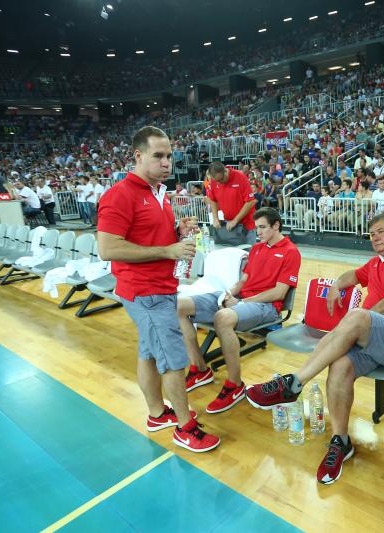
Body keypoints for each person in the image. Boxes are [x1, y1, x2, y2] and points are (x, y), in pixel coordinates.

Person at [245, 213, 384, 485]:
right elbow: (352, 275)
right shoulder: (376, 263)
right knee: (340, 364)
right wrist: (336, 285)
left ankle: (294, 382)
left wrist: (354, 325)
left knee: (356, 317)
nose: (375, 238)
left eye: (381, 231)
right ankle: (341, 441)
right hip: (373, 337)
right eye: (371, 234)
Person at [97, 126, 221, 453]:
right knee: (174, 361)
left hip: (158, 288)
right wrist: (168, 251)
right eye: (158, 156)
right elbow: (108, 249)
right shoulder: (120, 195)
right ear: (138, 156)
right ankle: (185, 427)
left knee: (149, 353)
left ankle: (156, 414)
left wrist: (176, 231)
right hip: (146, 292)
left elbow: (147, 235)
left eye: (169, 156)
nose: (167, 162)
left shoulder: (157, 192)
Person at [177, 207, 301, 410]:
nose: (258, 232)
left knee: (222, 318)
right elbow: (244, 280)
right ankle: (200, 369)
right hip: (242, 299)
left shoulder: (291, 252)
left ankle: (234, 385)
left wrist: (243, 302)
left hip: (266, 306)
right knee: (179, 306)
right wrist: (228, 293)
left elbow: (279, 293)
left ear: (276, 226)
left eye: (262, 227)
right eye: (256, 228)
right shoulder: (257, 248)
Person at [206, 161, 257, 245]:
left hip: (247, 225)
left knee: (248, 251)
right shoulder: (214, 180)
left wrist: (235, 220)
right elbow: (213, 200)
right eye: (216, 181)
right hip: (230, 225)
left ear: (225, 171)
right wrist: (215, 218)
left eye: (221, 179)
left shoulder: (240, 177)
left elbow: (250, 202)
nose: (219, 182)